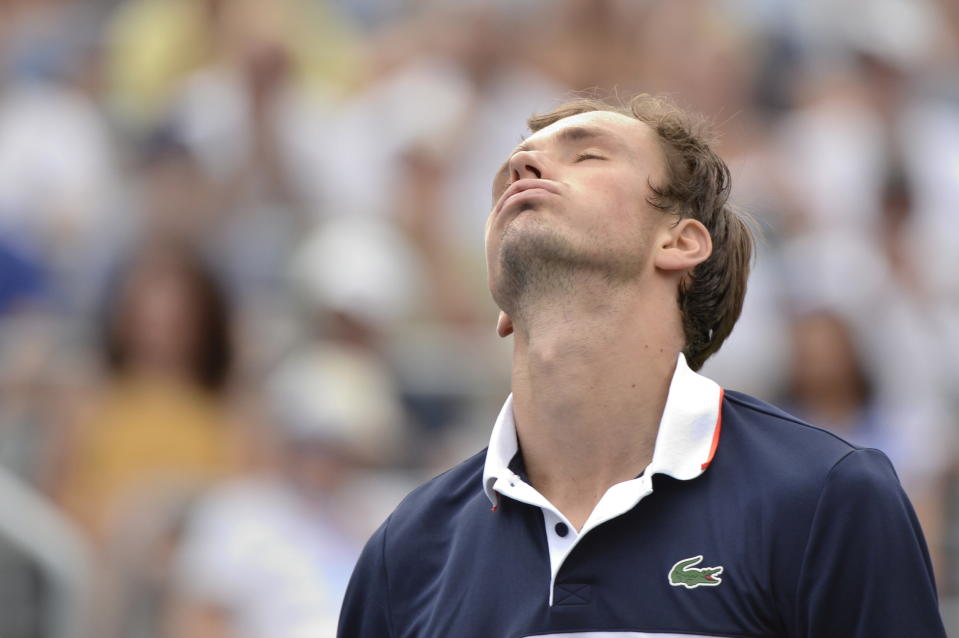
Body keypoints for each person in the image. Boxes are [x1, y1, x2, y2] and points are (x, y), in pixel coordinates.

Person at [337, 95, 946, 637]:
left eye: (587, 155)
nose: (521, 168)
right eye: (511, 171)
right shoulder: (406, 551)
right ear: (504, 308)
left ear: (680, 242)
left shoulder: (827, 498)